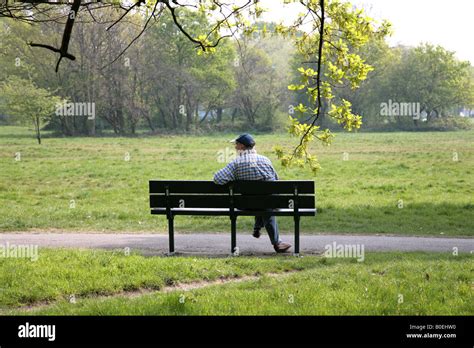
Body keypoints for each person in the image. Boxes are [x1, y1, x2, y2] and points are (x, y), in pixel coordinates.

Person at [213, 133, 292, 253]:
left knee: (258, 199)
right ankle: (276, 242)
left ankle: (258, 228)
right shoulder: (265, 160)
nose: (235, 147)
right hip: (268, 203)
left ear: (242, 146)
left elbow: (217, 179)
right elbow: (276, 181)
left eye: (236, 145)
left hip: (246, 204)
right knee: (265, 201)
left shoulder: (236, 163)